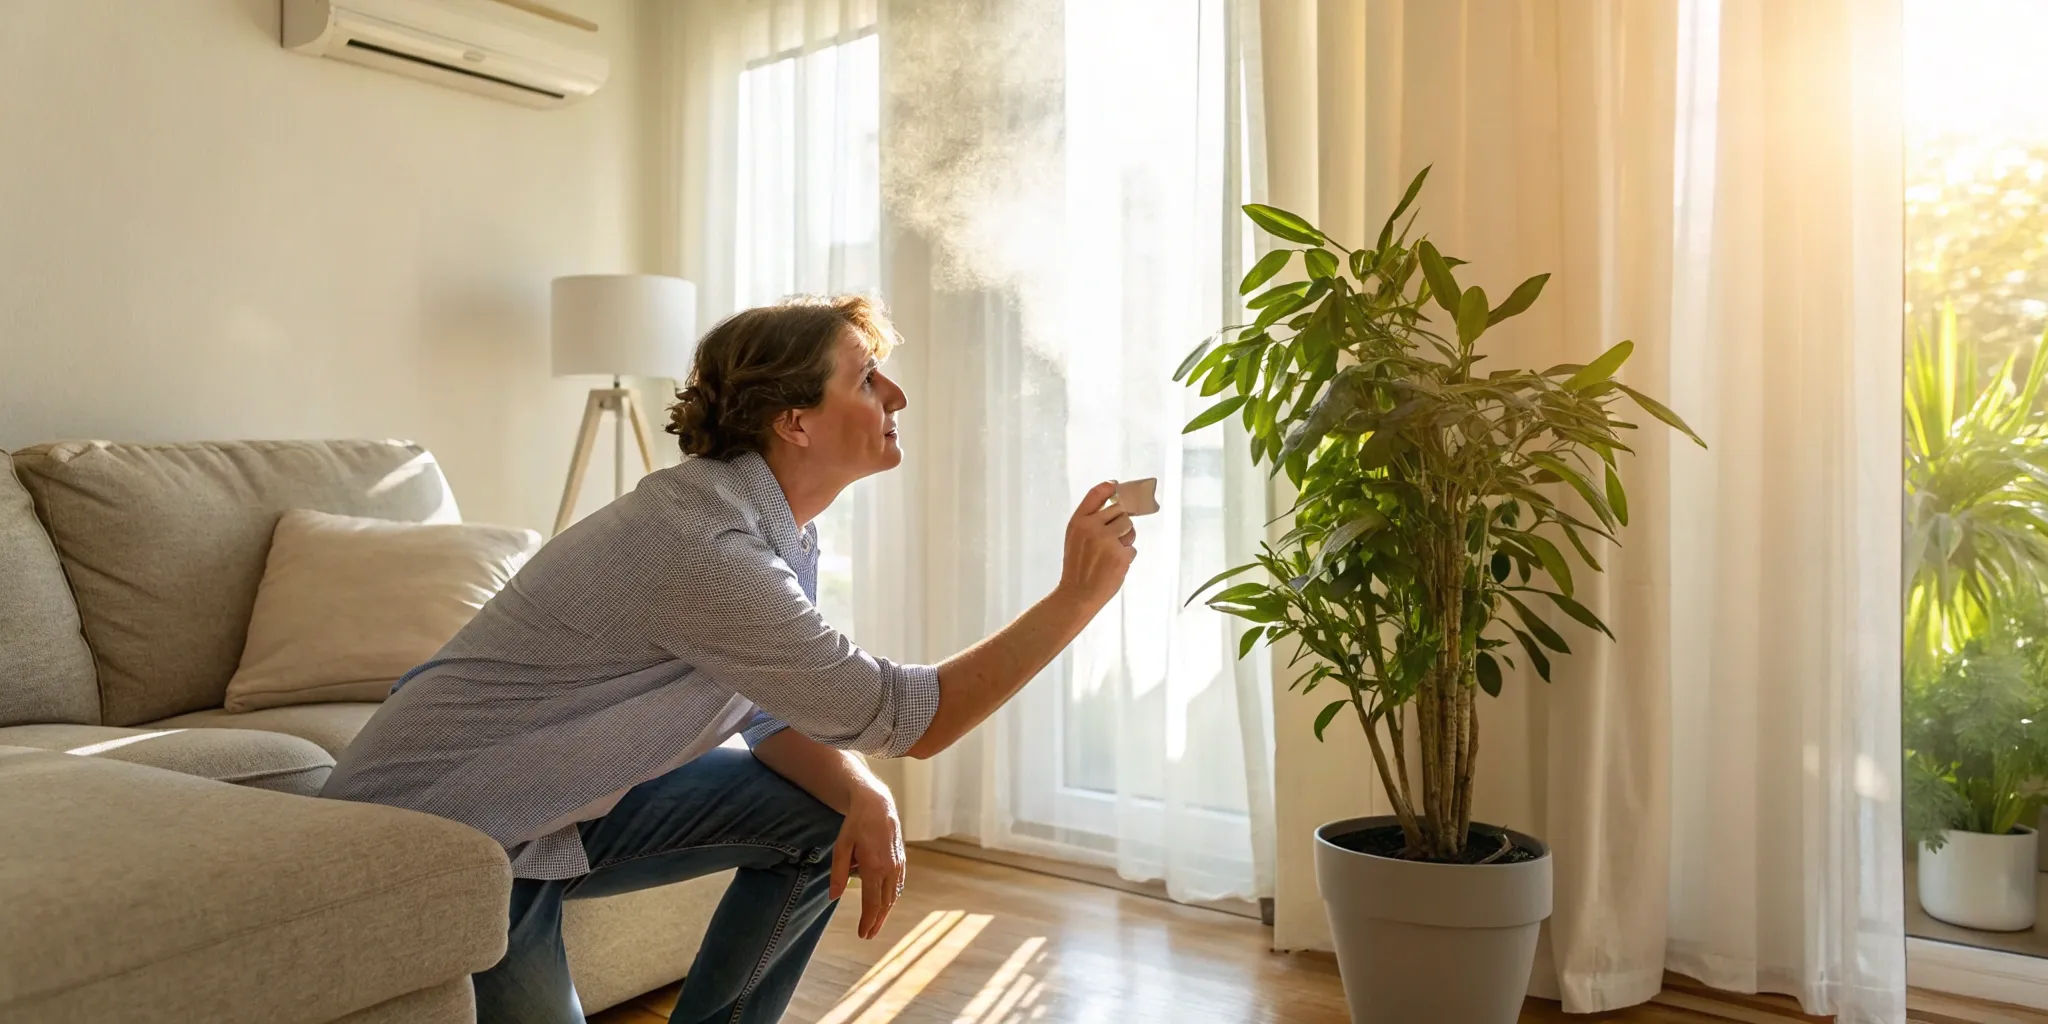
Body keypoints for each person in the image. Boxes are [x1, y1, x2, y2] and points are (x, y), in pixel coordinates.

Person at [320, 294, 1138, 1024]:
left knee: (823, 820)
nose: (897, 397)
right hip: (445, 834)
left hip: (549, 811)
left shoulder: (770, 531)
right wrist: (1076, 598)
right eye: (866, 380)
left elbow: (765, 709)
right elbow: (904, 717)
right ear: (794, 420)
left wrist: (861, 790)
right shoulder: (706, 545)